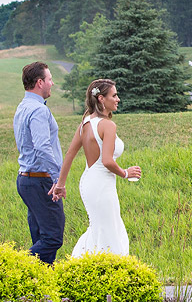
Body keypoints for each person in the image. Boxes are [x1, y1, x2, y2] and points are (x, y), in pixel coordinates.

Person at [52, 78, 141, 256]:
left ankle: (84, 267)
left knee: (100, 229)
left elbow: (69, 154)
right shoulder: (108, 125)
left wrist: (60, 185)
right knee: (110, 232)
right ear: (101, 98)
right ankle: (110, 272)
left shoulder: (84, 124)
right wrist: (125, 173)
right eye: (114, 95)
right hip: (101, 184)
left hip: (88, 182)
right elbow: (107, 161)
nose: (118, 99)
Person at [13, 61, 64, 263]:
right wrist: (58, 179)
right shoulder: (39, 111)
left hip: (27, 180)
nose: (52, 83)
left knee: (40, 236)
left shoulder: (23, 107)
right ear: (40, 82)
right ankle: (16, 267)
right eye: (50, 79)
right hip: (40, 180)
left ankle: (40, 287)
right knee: (53, 237)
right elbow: (42, 148)